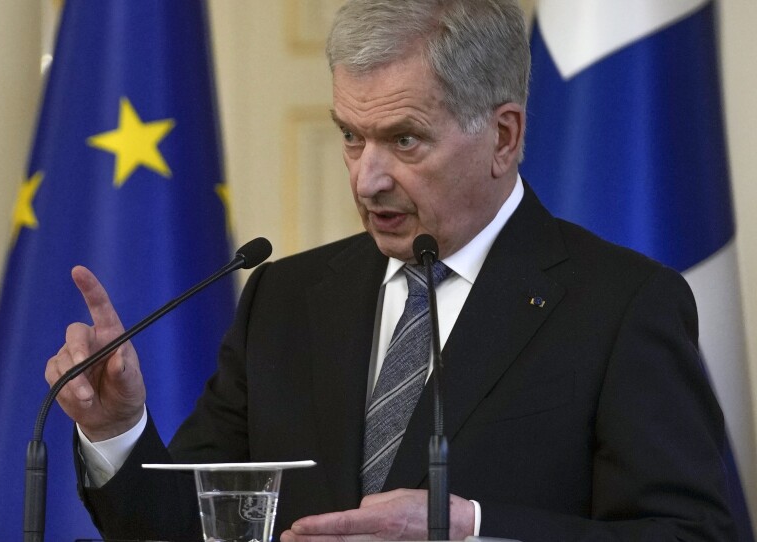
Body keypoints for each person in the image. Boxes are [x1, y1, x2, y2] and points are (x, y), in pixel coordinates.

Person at [45, 0, 736, 540]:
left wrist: (470, 529)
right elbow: (186, 527)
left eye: (404, 140)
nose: (367, 179)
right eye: (351, 135)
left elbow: (693, 534)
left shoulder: (620, 306)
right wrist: (117, 431)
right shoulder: (282, 299)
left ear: (504, 136)